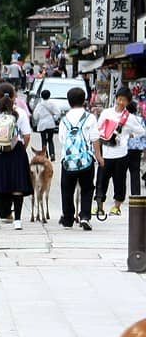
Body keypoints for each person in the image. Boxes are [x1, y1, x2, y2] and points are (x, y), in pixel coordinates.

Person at [0, 83, 33, 229]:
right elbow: (27, 135)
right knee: (17, 185)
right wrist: (19, 148)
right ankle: (17, 220)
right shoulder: (20, 113)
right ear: (14, 96)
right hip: (16, 152)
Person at [95, 87, 145, 216]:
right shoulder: (106, 113)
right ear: (116, 98)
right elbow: (98, 128)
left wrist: (128, 135)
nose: (121, 102)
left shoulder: (130, 118)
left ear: (128, 102)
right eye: (119, 99)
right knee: (101, 181)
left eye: (124, 100)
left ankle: (117, 206)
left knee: (119, 181)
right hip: (106, 153)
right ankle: (99, 206)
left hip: (121, 154)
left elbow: (141, 131)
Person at [58, 87, 102, 230]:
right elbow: (95, 138)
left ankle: (68, 219)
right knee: (87, 188)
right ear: (84, 100)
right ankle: (84, 217)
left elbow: (62, 139)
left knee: (67, 189)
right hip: (86, 160)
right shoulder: (90, 118)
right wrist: (99, 156)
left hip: (68, 161)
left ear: (69, 101)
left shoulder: (64, 119)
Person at [32, 89, 60, 161]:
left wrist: (39, 119)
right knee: (50, 140)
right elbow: (58, 113)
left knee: (43, 140)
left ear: (41, 96)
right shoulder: (52, 104)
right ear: (49, 95)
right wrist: (54, 118)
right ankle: (52, 154)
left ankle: (45, 155)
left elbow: (35, 115)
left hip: (42, 124)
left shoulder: (39, 105)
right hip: (50, 123)